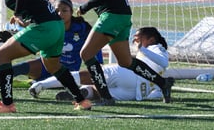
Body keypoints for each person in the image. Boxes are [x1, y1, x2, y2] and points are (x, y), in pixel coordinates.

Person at [68, 0, 174, 105]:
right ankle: (163, 83)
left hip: (113, 15)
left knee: (86, 54)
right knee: (125, 62)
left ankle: (106, 97)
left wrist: (86, 6)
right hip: (120, 15)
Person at [0, 0, 103, 91]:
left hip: (68, 71)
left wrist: (99, 63)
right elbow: (32, 30)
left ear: (71, 12)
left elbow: (95, 45)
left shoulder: (82, 28)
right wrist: (13, 36)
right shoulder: (49, 26)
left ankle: (33, 83)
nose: (60, 13)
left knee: (78, 78)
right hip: (45, 65)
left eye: (64, 10)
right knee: (17, 68)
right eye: (57, 10)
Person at [29, 27, 169, 102]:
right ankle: (83, 93)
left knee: (87, 75)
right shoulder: (152, 53)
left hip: (129, 75)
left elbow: (164, 61)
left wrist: (142, 49)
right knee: (99, 91)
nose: (135, 39)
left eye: (138, 37)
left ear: (151, 39)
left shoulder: (155, 47)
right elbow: (158, 80)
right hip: (136, 93)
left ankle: (41, 85)